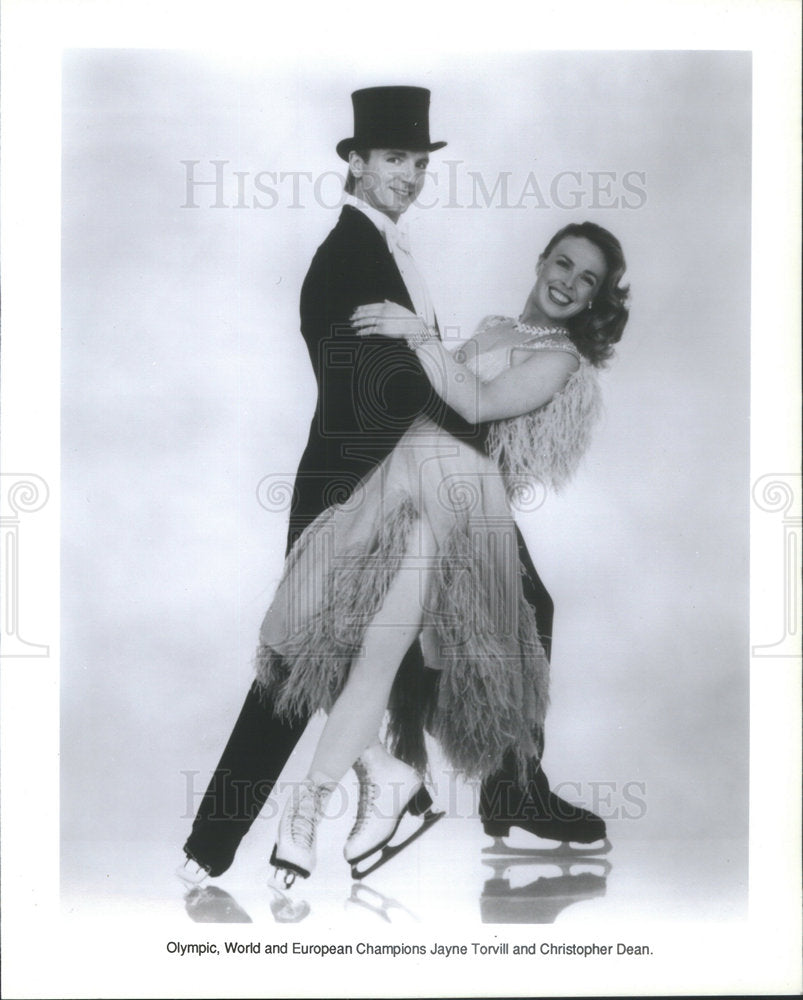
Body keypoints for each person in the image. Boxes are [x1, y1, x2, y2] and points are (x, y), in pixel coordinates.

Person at [179, 87, 608, 885]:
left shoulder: (399, 260)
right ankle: (256, 826)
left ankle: (495, 784)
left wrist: (433, 357)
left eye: (417, 160)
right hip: (362, 483)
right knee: (302, 659)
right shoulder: (348, 256)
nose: (409, 175)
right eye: (393, 159)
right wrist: (440, 371)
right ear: (356, 162)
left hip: (426, 482)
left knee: (508, 615)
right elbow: (377, 396)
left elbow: (440, 393)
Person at [260, 220, 630, 884]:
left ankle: (313, 810)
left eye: (587, 280)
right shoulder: (495, 326)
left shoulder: (560, 357)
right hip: (402, 483)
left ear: (596, 297)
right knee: (303, 630)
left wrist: (416, 333)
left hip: (454, 504)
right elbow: (428, 395)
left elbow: (477, 401)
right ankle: (391, 779)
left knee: (381, 650)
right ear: (541, 258)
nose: (568, 282)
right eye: (563, 263)